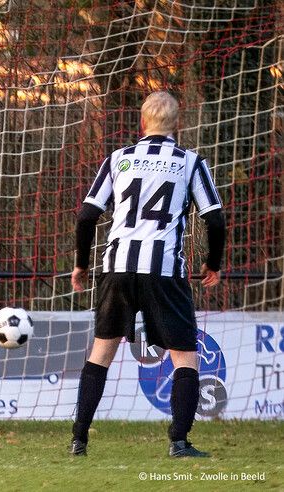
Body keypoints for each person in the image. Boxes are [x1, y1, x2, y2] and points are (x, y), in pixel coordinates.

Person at [69, 91, 226, 458]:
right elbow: (215, 218)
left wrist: (81, 264)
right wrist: (213, 264)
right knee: (184, 355)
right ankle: (179, 441)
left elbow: (86, 216)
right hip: (164, 270)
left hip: (117, 267)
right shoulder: (189, 162)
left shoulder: (118, 159)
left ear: (142, 123)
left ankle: (79, 438)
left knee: (101, 351)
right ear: (177, 125)